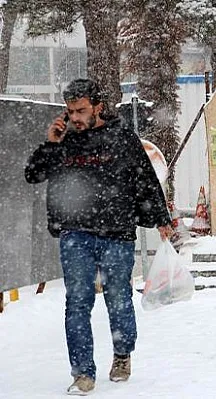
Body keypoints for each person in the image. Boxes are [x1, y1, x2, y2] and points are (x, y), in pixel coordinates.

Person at [24, 79, 173, 395]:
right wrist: (51, 143)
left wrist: (161, 219)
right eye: (70, 111)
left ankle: (122, 354)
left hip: (116, 234)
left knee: (118, 297)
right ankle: (82, 373)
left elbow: (144, 179)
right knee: (77, 302)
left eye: (80, 110)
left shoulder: (122, 139)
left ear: (98, 107)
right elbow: (33, 174)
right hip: (75, 233)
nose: (74, 117)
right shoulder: (65, 140)